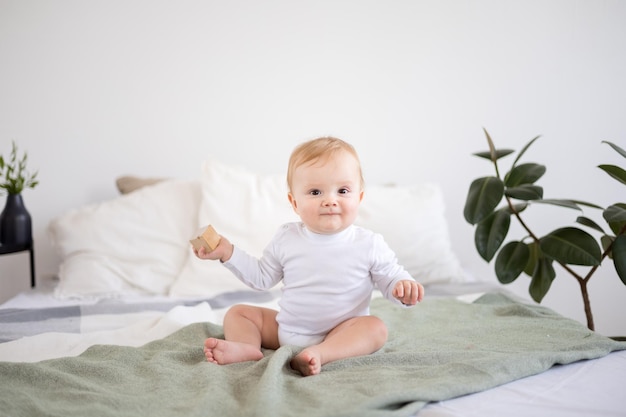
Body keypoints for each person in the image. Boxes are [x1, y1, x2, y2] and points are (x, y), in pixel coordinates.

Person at [193, 136, 424, 376]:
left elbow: (390, 277)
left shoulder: (368, 243)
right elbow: (261, 278)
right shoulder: (286, 238)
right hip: (287, 330)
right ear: (294, 202)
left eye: (343, 190)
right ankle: (246, 348)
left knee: (375, 328)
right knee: (238, 313)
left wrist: (402, 287)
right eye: (315, 192)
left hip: (341, 333)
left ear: (359, 198)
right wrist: (228, 253)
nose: (330, 200)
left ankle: (320, 354)